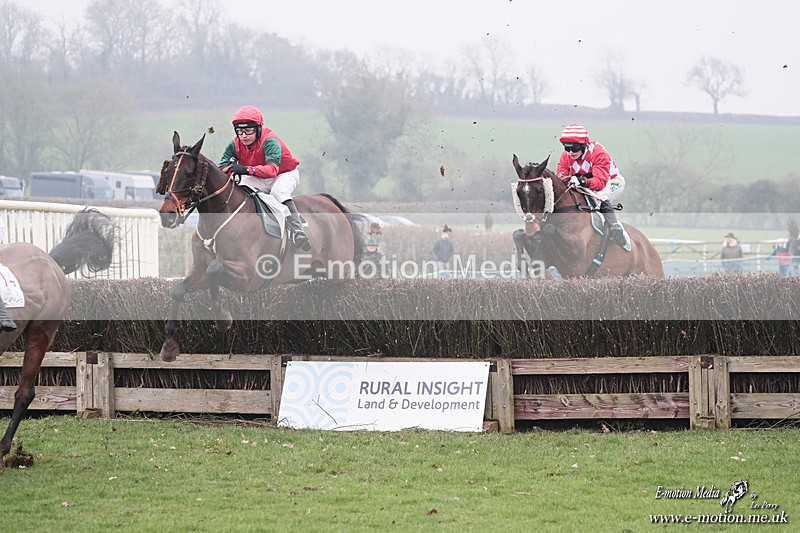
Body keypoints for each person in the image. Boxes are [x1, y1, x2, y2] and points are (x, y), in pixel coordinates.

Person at [218, 105, 309, 251]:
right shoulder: (234, 144)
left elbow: (272, 170)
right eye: (240, 131)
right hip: (258, 176)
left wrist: (245, 169)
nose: (244, 136)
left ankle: (298, 230)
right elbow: (222, 168)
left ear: (258, 129)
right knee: (242, 190)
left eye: (248, 130)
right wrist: (229, 171)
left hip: (284, 173)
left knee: (278, 192)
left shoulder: (269, 141)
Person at [556, 123, 629, 247]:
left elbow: (600, 183)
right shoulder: (566, 155)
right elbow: (561, 176)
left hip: (611, 181)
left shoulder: (598, 152)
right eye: (567, 148)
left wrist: (582, 181)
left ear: (583, 145)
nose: (570, 153)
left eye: (574, 148)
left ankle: (615, 228)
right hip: (586, 182)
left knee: (600, 195)